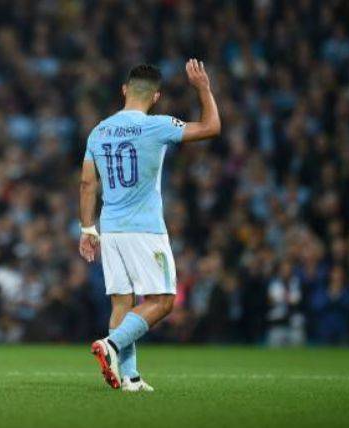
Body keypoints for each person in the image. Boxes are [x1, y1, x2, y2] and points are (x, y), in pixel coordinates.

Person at [79, 60, 220, 392]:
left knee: (122, 303)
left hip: (111, 229)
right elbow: (211, 127)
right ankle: (111, 345)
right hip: (144, 229)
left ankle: (130, 377)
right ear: (156, 97)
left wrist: (87, 229)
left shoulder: (99, 131)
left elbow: (87, 184)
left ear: (124, 90)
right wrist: (203, 88)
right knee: (164, 300)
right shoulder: (157, 125)